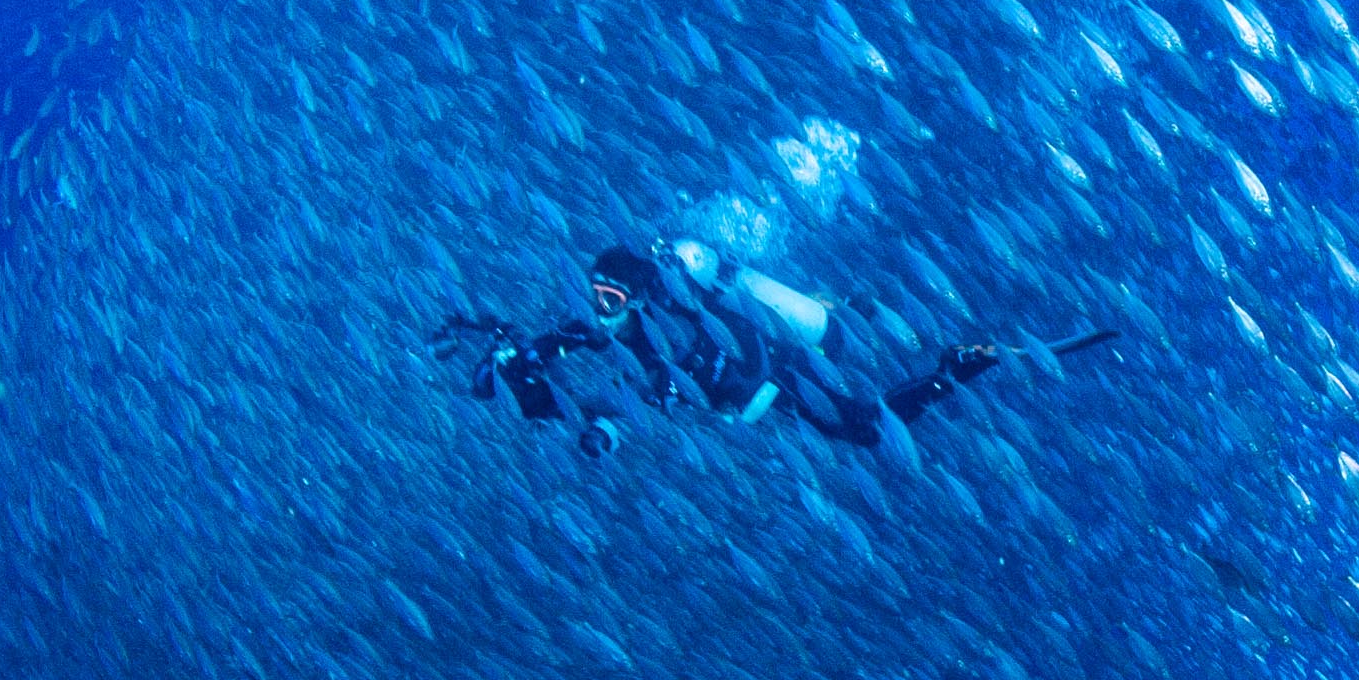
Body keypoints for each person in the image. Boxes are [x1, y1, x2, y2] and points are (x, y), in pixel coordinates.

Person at [443, 241, 1112, 459]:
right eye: (594, 295)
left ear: (644, 296)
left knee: (871, 432)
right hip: (740, 406)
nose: (600, 310)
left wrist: (613, 422)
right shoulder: (606, 328)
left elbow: (660, 387)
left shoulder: (677, 319)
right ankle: (868, 321)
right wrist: (507, 359)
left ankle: (962, 366)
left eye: (613, 300)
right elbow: (567, 358)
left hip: (778, 382)